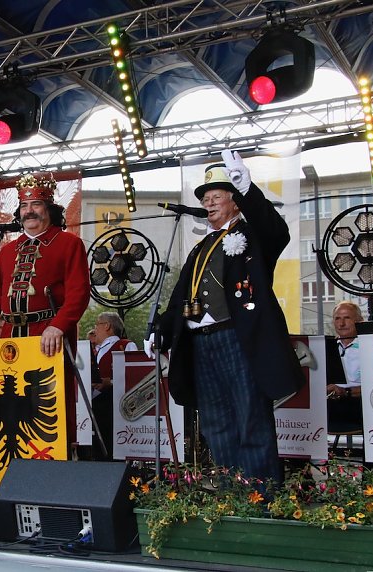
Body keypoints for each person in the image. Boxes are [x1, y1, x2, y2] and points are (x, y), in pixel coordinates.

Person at [144, 151, 304, 485]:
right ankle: (233, 495)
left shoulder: (252, 235)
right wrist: (159, 331)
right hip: (201, 343)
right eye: (205, 198)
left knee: (250, 418)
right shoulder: (199, 249)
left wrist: (248, 189)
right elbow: (180, 300)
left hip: (237, 338)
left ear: (235, 202)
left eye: (217, 196)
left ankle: (261, 497)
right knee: (216, 423)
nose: (209, 202)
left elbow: (275, 230)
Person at [0, 173, 90, 446]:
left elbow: (79, 293)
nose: (29, 211)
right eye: (24, 206)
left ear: (50, 209)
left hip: (49, 335)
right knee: (10, 402)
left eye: (36, 204)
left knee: (51, 403)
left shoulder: (69, 244)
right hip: (11, 336)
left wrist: (58, 326)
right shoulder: (9, 251)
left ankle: (55, 466)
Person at [91, 312, 137, 460]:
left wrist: (109, 382)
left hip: (114, 404)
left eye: (96, 325)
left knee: (112, 444)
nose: (94, 329)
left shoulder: (125, 345)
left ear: (107, 326)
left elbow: (134, 377)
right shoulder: (95, 350)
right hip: (95, 404)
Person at [326, 300, 364, 431]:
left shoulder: (368, 347)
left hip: (358, 404)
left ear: (359, 321)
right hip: (330, 403)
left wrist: (346, 392)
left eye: (347, 318)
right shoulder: (326, 347)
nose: (341, 324)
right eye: (337, 319)